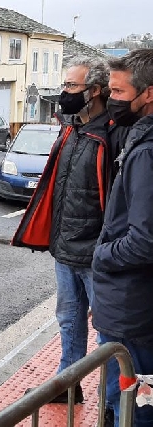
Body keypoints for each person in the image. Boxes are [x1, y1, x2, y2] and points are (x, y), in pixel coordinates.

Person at [12, 56, 126, 404]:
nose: (64, 93)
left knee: (108, 335)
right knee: (68, 322)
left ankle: (112, 405)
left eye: (71, 86)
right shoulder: (72, 128)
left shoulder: (112, 134)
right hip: (65, 252)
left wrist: (107, 251)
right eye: (65, 86)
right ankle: (67, 387)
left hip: (97, 257)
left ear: (94, 91)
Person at [92, 48, 153, 427]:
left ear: (148, 94)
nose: (111, 101)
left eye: (118, 93)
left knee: (130, 408)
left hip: (132, 311)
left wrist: (102, 256)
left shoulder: (145, 152)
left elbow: (144, 240)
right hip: (129, 305)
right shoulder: (137, 138)